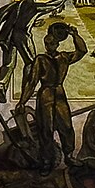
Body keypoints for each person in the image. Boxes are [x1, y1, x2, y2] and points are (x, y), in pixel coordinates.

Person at [0, 0, 67, 101]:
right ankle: (26, 90)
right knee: (31, 63)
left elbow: (19, 19)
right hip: (22, 36)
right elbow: (49, 6)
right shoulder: (34, 6)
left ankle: (1, 86)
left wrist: (33, 23)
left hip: (9, 36)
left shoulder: (18, 4)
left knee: (8, 63)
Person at [28, 21, 87, 169]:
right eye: (48, 44)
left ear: (57, 44)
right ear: (45, 45)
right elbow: (32, 82)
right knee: (46, 129)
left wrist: (75, 35)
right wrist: (22, 102)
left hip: (60, 94)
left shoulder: (63, 58)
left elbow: (82, 51)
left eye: (53, 44)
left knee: (66, 126)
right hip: (45, 95)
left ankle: (69, 156)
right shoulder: (40, 60)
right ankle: (47, 161)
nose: (50, 46)